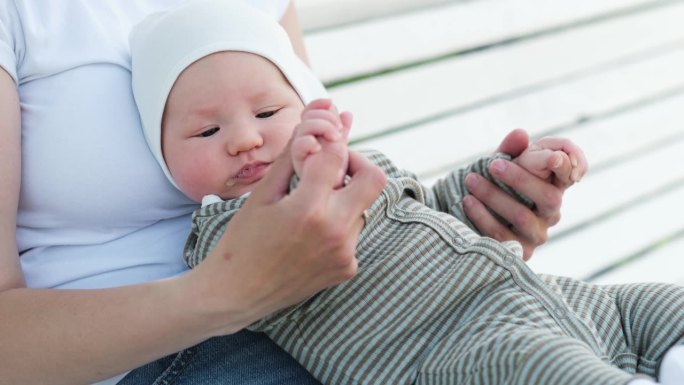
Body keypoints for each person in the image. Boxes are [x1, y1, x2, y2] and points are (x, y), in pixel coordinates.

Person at [0, 1, 578, 384]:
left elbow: (313, 167)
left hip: (326, 314)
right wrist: (224, 293)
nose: (245, 139)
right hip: (156, 359)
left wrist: (463, 226)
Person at [130, 1, 684, 385]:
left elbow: (435, 212)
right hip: (453, 348)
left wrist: (500, 175)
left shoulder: (362, 169)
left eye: (269, 112)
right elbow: (245, 289)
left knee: (651, 307)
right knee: (536, 364)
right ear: (165, 161)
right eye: (207, 131)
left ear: (308, 108)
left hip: (549, 296)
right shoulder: (224, 238)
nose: (245, 139)